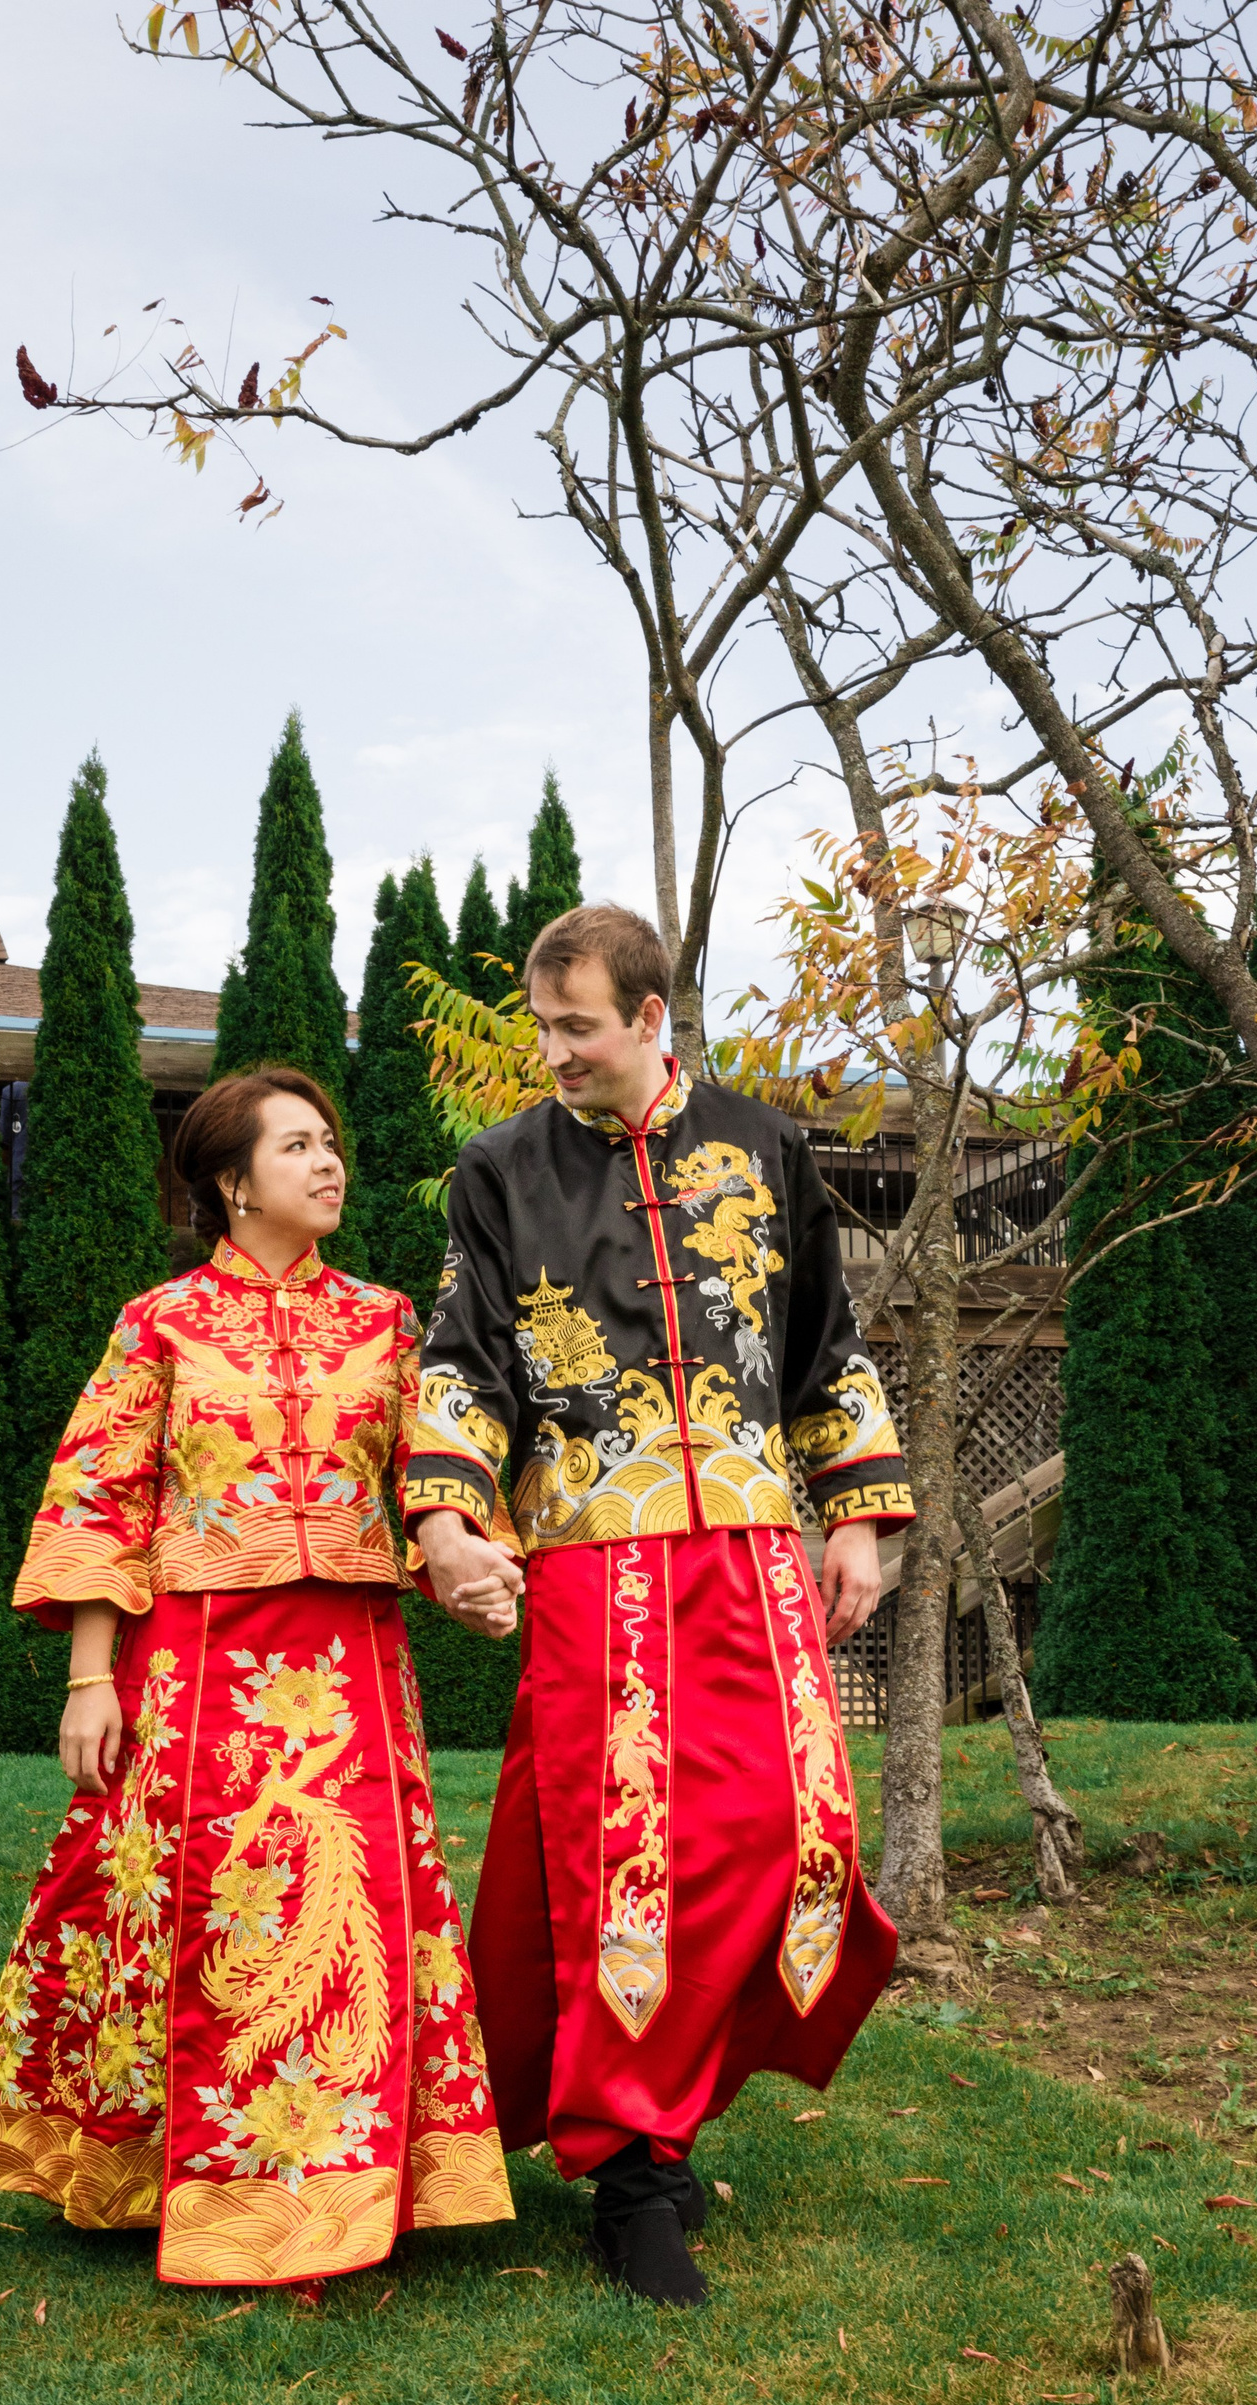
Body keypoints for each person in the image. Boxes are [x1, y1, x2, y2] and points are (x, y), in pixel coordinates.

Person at [406, 904, 914, 2307]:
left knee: (797, 1834)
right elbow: (463, 1356)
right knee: (621, 1856)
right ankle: (634, 2173)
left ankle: (665, 2103)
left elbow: (823, 1342)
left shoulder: (765, 1146)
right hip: (593, 1563)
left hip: (751, 1553)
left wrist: (857, 1514)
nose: (554, 1052)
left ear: (648, 1016)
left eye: (577, 1026)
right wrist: (447, 1522)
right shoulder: (500, 1169)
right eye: (542, 1027)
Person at [0, 1066, 516, 2286]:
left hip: (352, 1672)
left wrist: (464, 1559)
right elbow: (99, 1496)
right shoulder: (160, 1323)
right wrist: (88, 1679)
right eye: (296, 1145)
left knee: (358, 1911)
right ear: (230, 1181)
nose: (328, 1162)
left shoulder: (389, 1323)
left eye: (330, 1142)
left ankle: (348, 2183)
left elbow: (433, 1474)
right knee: (191, 1911)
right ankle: (159, 2170)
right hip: (195, 1670)